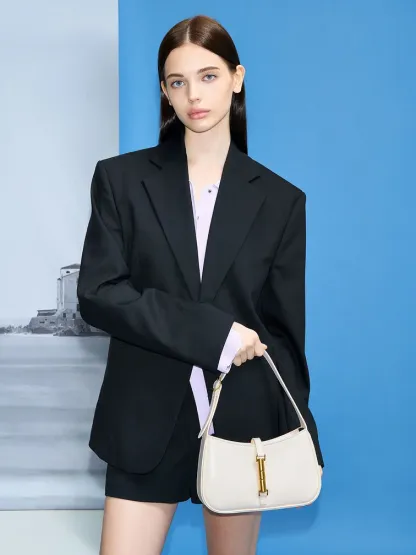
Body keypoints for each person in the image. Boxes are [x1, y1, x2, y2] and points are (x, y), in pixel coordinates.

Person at [77, 13, 324, 555]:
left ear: (237, 78)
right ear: (165, 92)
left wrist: (298, 428)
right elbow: (99, 292)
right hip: (144, 416)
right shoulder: (121, 180)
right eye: (178, 81)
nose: (194, 95)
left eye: (208, 76)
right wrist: (214, 335)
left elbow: (284, 334)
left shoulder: (282, 201)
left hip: (244, 422)